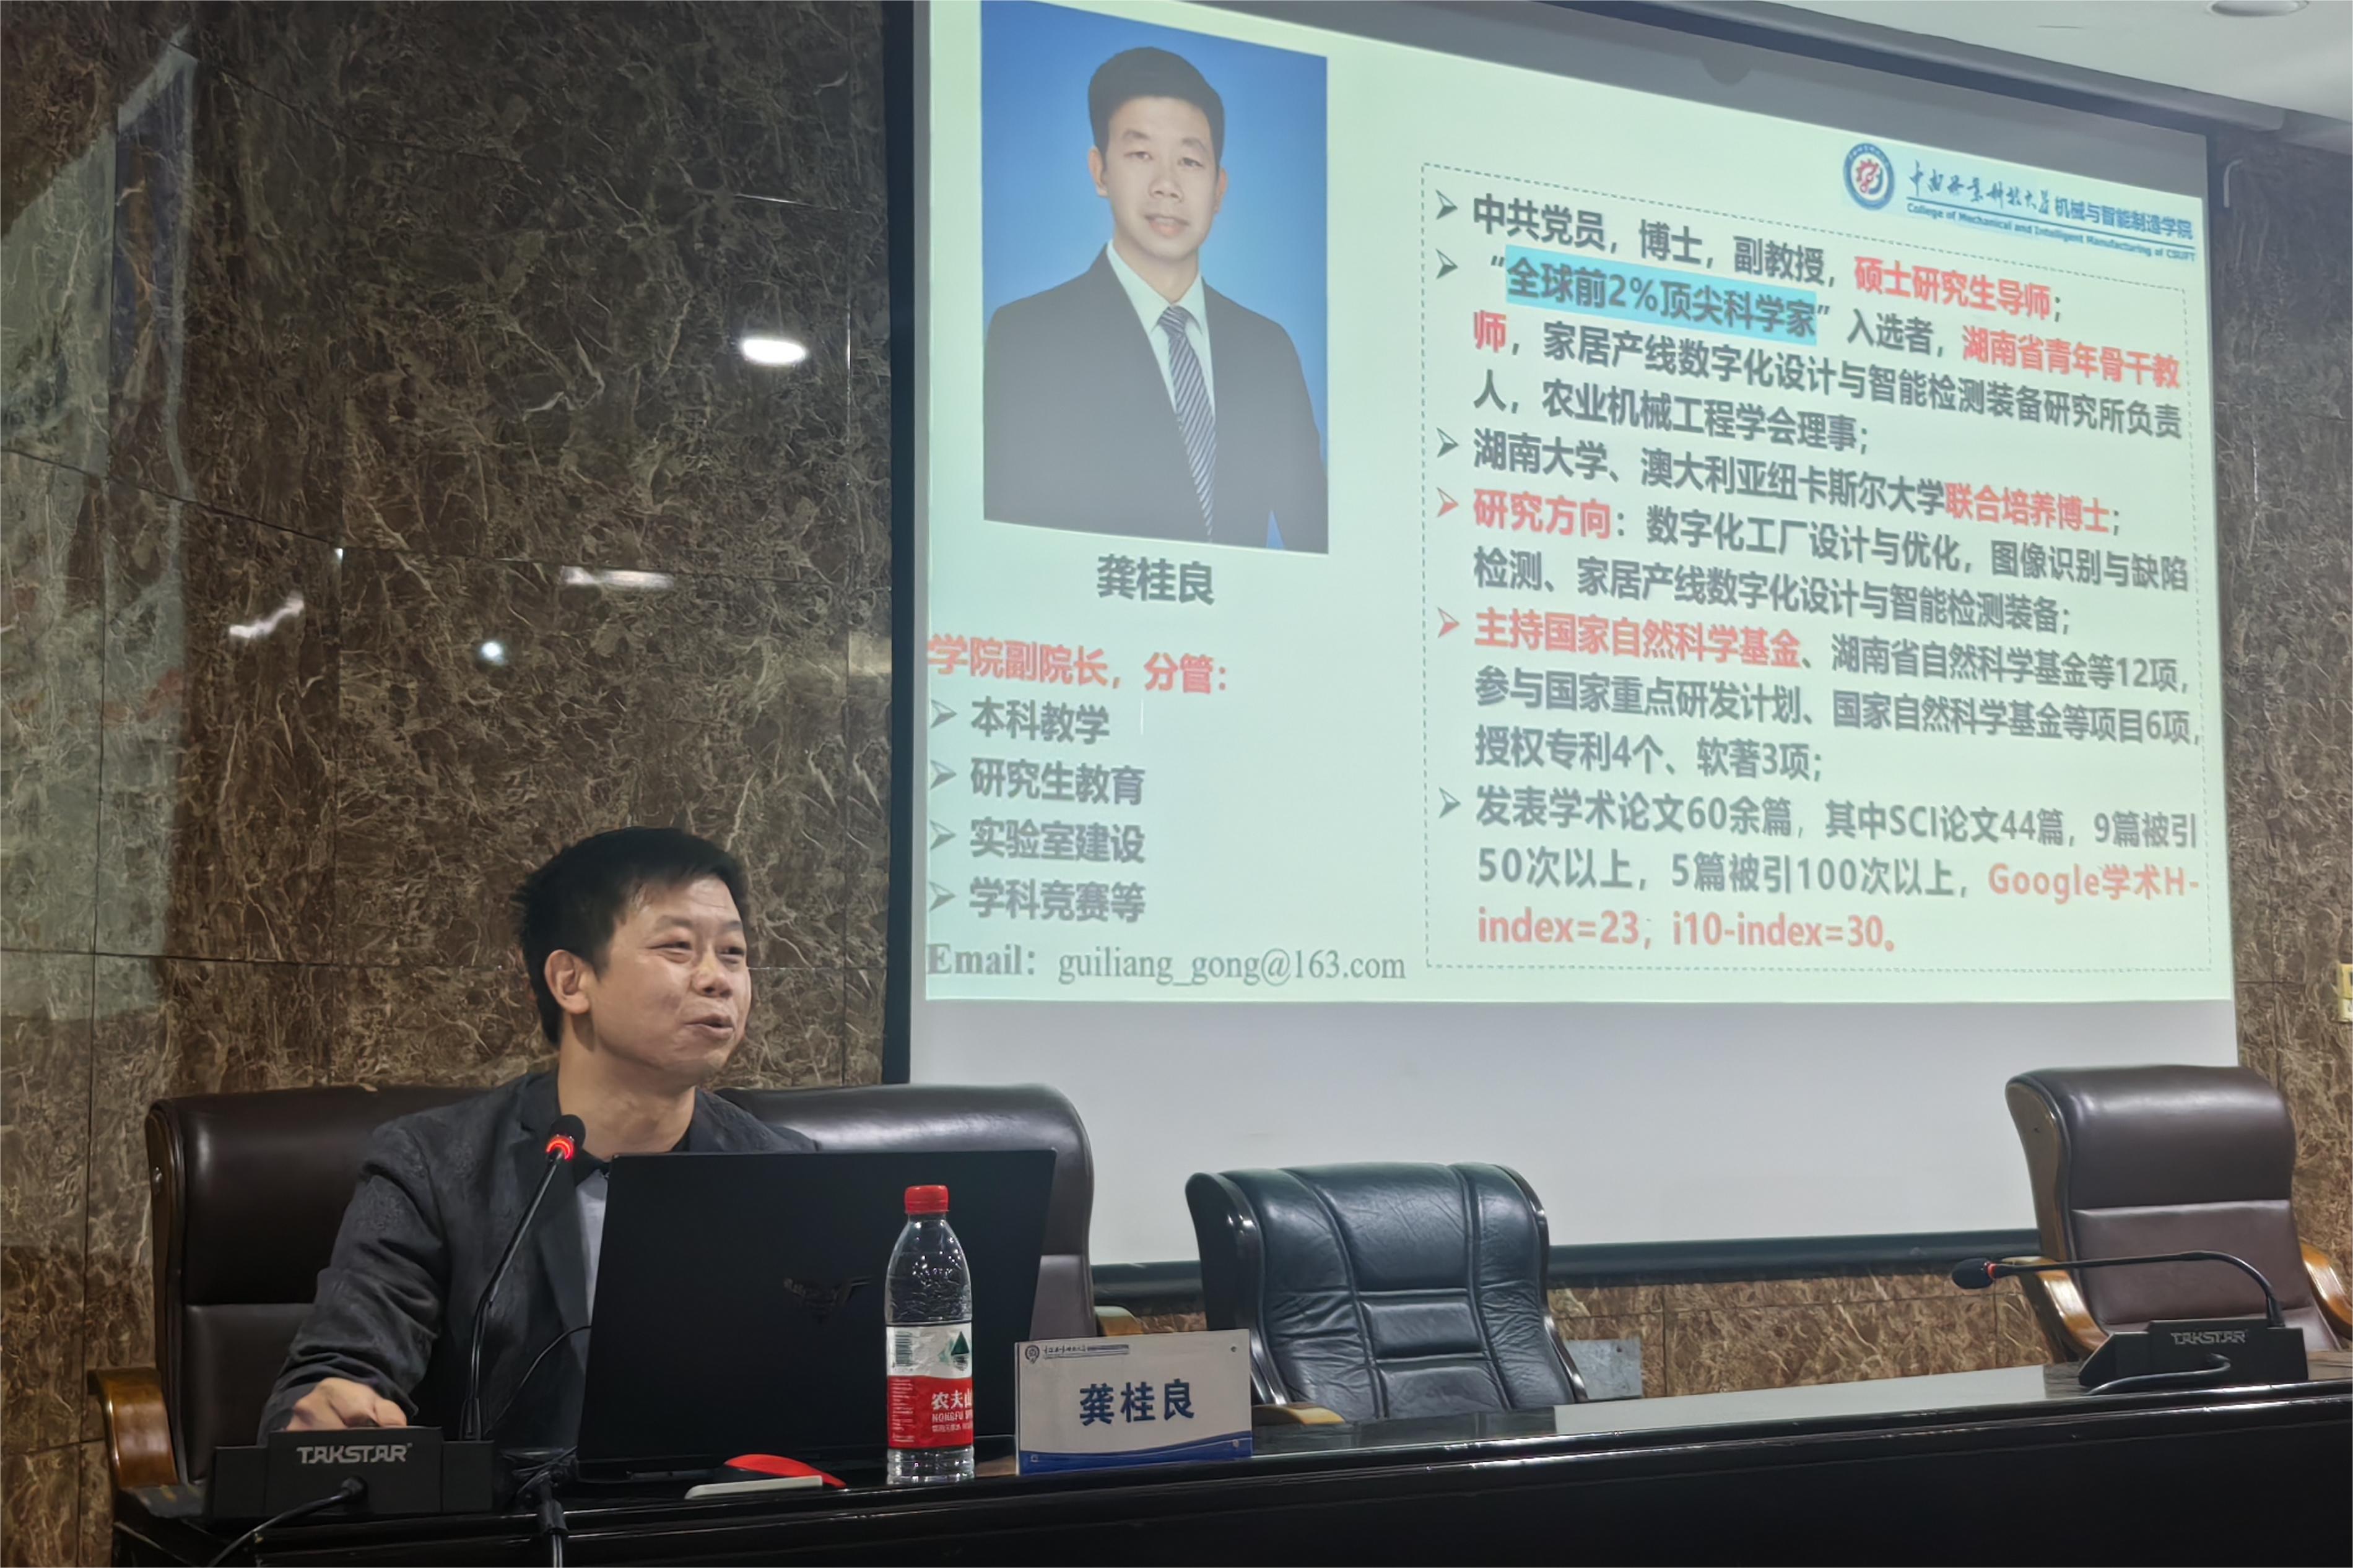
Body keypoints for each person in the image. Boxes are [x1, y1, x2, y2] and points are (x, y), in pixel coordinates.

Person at [258, 827, 814, 1445]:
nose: (717, 979)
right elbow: (341, 1369)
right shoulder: (432, 1167)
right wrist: (331, 1409)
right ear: (571, 981)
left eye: (733, 953)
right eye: (678, 948)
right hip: (505, 1508)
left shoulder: (787, 1172)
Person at [985, 45, 1328, 552]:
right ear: (1100, 172)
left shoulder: (1268, 350)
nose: (1167, 185)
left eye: (1189, 161)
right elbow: (1010, 544)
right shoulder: (1029, 338)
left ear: (1219, 189)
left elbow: (1316, 543)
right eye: (1141, 155)